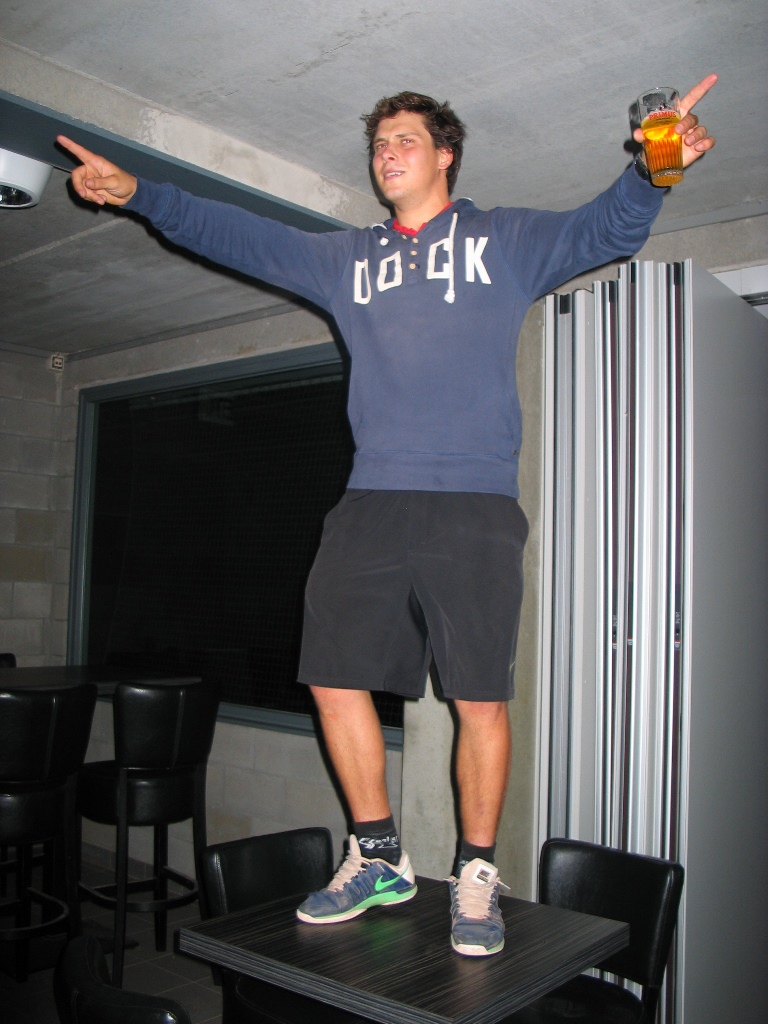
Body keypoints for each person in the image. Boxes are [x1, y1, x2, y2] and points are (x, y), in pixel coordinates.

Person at [58, 73, 716, 957]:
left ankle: (475, 871)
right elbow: (239, 235)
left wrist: (654, 166)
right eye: (378, 144)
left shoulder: (505, 240)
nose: (387, 153)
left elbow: (610, 228)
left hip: (474, 502)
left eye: (406, 139)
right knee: (331, 676)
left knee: (478, 696)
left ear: (446, 155)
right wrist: (141, 192)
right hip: (371, 497)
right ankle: (378, 854)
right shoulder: (348, 261)